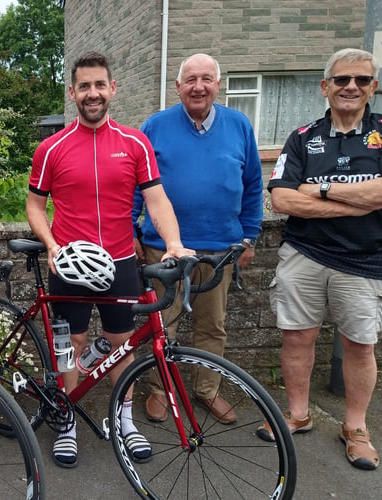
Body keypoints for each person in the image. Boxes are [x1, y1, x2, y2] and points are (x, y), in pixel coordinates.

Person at [27, 50, 193, 469]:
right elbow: (34, 205)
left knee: (121, 345)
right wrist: (50, 243)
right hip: (71, 264)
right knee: (71, 344)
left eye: (100, 84)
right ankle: (66, 418)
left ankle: (124, 420)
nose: (93, 93)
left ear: (112, 88)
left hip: (120, 262)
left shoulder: (135, 142)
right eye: (84, 86)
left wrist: (173, 243)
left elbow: (156, 199)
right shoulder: (51, 148)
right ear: (72, 93)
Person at [257, 47, 381, 471]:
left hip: (365, 261)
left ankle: (356, 428)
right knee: (297, 338)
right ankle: (298, 413)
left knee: (360, 346)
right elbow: (282, 198)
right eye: (342, 79)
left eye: (361, 80)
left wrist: (319, 189)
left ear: (373, 87)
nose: (351, 87)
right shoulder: (303, 136)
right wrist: (357, 202)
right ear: (325, 87)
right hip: (305, 254)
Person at [132, 53, 263, 424]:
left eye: (206, 79)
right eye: (191, 79)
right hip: (163, 247)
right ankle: (162, 391)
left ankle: (207, 391)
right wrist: (131, 230)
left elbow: (253, 185)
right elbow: (136, 184)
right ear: (178, 86)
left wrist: (250, 236)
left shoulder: (239, 125)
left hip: (220, 249)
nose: (198, 87)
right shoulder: (155, 126)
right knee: (163, 324)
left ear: (217, 85)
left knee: (212, 326)